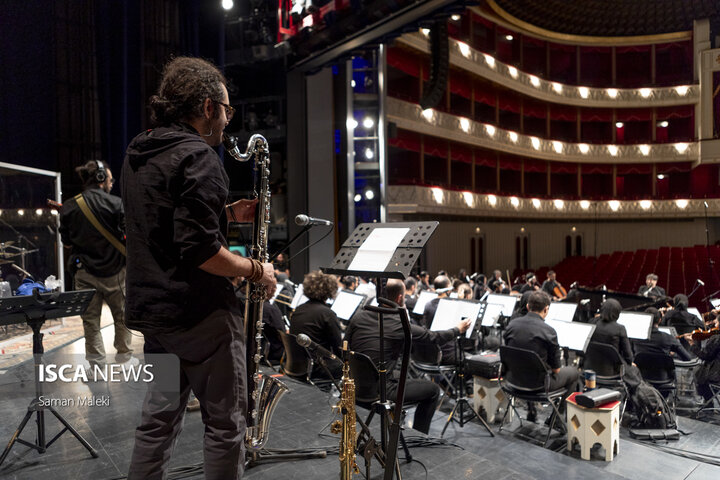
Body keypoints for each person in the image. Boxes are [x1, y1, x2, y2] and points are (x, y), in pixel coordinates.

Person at [122, 56, 276, 480]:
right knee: (226, 425)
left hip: (156, 316)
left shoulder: (140, 150)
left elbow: (162, 222)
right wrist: (254, 270)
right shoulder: (201, 158)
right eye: (226, 110)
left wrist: (224, 212)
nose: (228, 121)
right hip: (200, 320)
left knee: (157, 423)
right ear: (208, 107)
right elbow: (201, 252)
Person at [345, 279, 470, 434]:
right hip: (381, 390)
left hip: (357, 384)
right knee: (432, 391)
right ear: (399, 298)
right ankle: (419, 435)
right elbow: (432, 337)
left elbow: (345, 347)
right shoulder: (398, 323)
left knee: (397, 374)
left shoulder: (358, 316)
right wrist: (458, 329)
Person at [59, 159, 132, 366]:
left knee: (91, 322)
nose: (111, 183)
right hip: (117, 272)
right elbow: (129, 237)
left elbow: (66, 244)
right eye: (110, 179)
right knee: (122, 318)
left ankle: (97, 365)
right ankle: (125, 358)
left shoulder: (69, 207)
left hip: (85, 273)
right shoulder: (116, 204)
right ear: (101, 178)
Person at [504, 291, 579, 417]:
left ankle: (536, 412)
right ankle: (556, 419)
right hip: (538, 386)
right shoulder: (549, 331)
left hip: (512, 380)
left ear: (528, 307)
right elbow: (556, 370)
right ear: (546, 309)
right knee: (574, 373)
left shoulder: (511, 325)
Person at [289, 270, 343, 378]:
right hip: (319, 368)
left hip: (298, 365)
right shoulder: (327, 314)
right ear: (330, 290)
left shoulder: (299, 309)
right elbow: (339, 348)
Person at [586, 299, 634, 375]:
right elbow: (628, 357)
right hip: (611, 372)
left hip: (590, 369)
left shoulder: (592, 322)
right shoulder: (620, 329)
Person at [686, 315, 720, 403]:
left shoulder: (717, 338)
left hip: (717, 376)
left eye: (716, 322)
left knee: (697, 371)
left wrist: (692, 344)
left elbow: (705, 356)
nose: (714, 324)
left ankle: (708, 401)